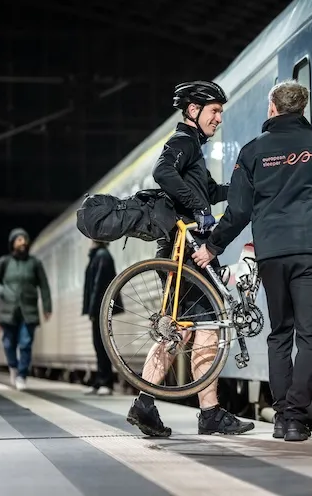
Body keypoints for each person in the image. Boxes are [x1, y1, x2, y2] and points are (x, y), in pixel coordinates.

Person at [193, 80, 312, 441]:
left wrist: (213, 248)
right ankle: (296, 420)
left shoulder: (253, 151)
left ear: (272, 108)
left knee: (280, 333)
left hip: (272, 255)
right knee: (310, 336)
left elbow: (237, 212)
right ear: (303, 108)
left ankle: (282, 415)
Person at [125, 80, 255, 438]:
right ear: (193, 111)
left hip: (183, 251)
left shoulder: (193, 148)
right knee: (201, 327)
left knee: (184, 329)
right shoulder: (182, 142)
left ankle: (148, 404)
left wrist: (245, 191)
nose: (219, 119)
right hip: (183, 252)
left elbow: (209, 191)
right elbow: (162, 172)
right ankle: (206, 412)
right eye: (214, 112)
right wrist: (199, 208)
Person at [0, 228, 52, 390]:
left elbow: (44, 286)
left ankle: (22, 375)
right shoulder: (4, 262)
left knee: (25, 343)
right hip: (9, 310)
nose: (23, 242)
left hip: (29, 310)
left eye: (25, 239)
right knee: (8, 343)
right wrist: (3, 291)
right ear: (12, 243)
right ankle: (13, 367)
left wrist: (47, 307)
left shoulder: (35, 263)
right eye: (19, 239)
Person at [82, 239, 122, 396]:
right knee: (98, 345)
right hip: (98, 308)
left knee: (102, 345)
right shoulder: (97, 256)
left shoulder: (102, 256)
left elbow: (99, 286)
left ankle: (106, 382)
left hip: (100, 308)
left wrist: (94, 309)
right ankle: (100, 380)